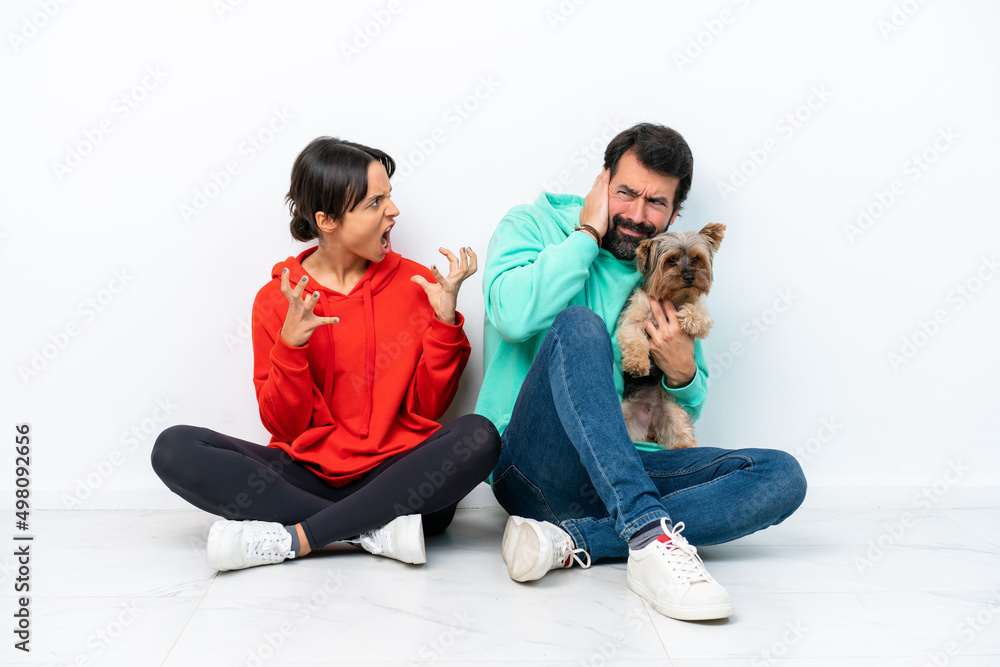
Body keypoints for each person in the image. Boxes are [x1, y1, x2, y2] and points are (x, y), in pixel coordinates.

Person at [476, 122, 807, 621]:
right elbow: (513, 316)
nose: (636, 215)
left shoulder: (666, 268)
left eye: (656, 203)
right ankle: (649, 535)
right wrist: (587, 235)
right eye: (626, 192)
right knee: (580, 326)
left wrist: (682, 373)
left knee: (780, 476)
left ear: (674, 213)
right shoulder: (533, 225)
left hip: (626, 467)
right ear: (602, 182)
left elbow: (683, 408)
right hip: (536, 467)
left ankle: (573, 541)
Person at [152, 137, 500, 571]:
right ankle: (371, 530)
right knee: (174, 447)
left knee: (479, 436)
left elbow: (427, 408)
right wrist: (291, 346)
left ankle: (298, 538)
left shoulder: (418, 285)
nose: (393, 211)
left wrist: (445, 323)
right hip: (314, 479)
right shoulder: (279, 300)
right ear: (327, 220)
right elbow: (286, 426)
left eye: (390, 196)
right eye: (375, 203)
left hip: (396, 475)